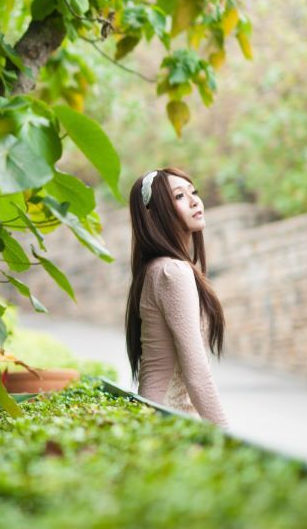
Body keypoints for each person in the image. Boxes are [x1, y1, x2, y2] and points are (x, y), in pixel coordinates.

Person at [124, 167, 230, 428]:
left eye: (194, 192)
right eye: (180, 196)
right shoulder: (172, 272)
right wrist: (229, 437)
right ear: (156, 214)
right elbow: (197, 376)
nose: (195, 201)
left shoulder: (157, 268)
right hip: (165, 419)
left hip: (160, 415)